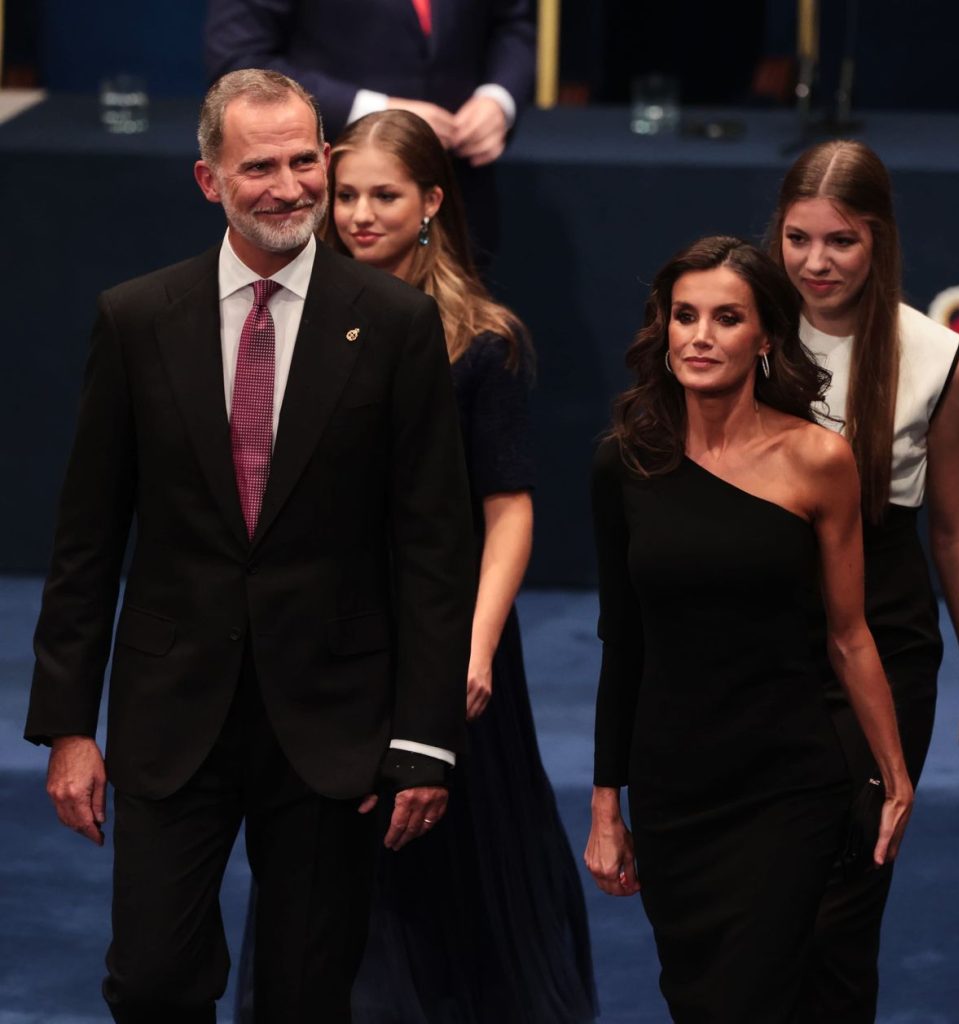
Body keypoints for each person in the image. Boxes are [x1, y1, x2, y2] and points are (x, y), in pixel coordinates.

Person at [23, 69, 476, 1023]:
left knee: (306, 996)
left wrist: (423, 739)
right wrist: (68, 725)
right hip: (170, 713)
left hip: (333, 721)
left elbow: (433, 545)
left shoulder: (396, 324)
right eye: (259, 165)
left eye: (305, 159)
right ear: (208, 181)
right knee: (150, 980)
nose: (291, 186)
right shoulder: (138, 319)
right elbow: (87, 539)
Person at [235, 108, 597, 1023]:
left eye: (383, 195)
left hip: (449, 636)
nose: (358, 214)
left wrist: (473, 649)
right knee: (330, 864)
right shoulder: (288, 323)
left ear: (432, 201)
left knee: (453, 866)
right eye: (345, 193)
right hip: (330, 642)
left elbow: (509, 510)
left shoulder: (481, 339)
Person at [584, 236, 914, 1022]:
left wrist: (895, 773)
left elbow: (849, 635)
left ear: (765, 336)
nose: (700, 335)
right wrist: (606, 806)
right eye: (684, 316)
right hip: (676, 789)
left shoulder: (819, 460)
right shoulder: (624, 463)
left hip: (788, 784)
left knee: (750, 1000)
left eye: (725, 318)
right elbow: (621, 642)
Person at [767, 139, 959, 1023]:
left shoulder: (933, 355)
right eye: (799, 239)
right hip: (761, 634)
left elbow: (954, 534)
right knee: (765, 902)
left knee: (846, 902)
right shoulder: (738, 329)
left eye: (843, 241)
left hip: (887, 629)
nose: (817, 262)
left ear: (881, 242)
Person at [204, 0, 537, 258]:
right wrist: (375, 113)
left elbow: (514, 22)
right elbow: (240, 57)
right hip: (327, 190)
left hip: (459, 186)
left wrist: (499, 98)